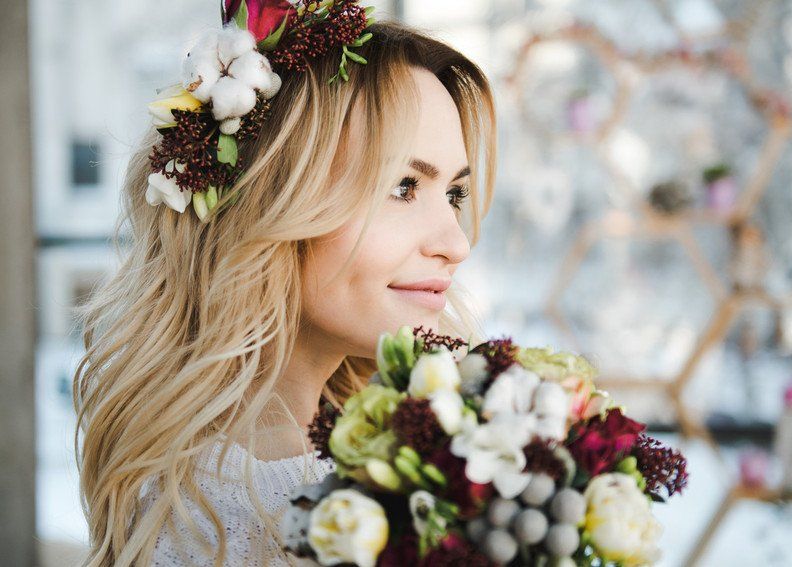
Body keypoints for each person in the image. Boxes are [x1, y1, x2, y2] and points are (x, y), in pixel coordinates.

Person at [72, 6, 497, 566]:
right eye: (402, 186)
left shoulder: (378, 449)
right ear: (272, 202)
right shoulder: (243, 519)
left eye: (455, 195)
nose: (456, 243)